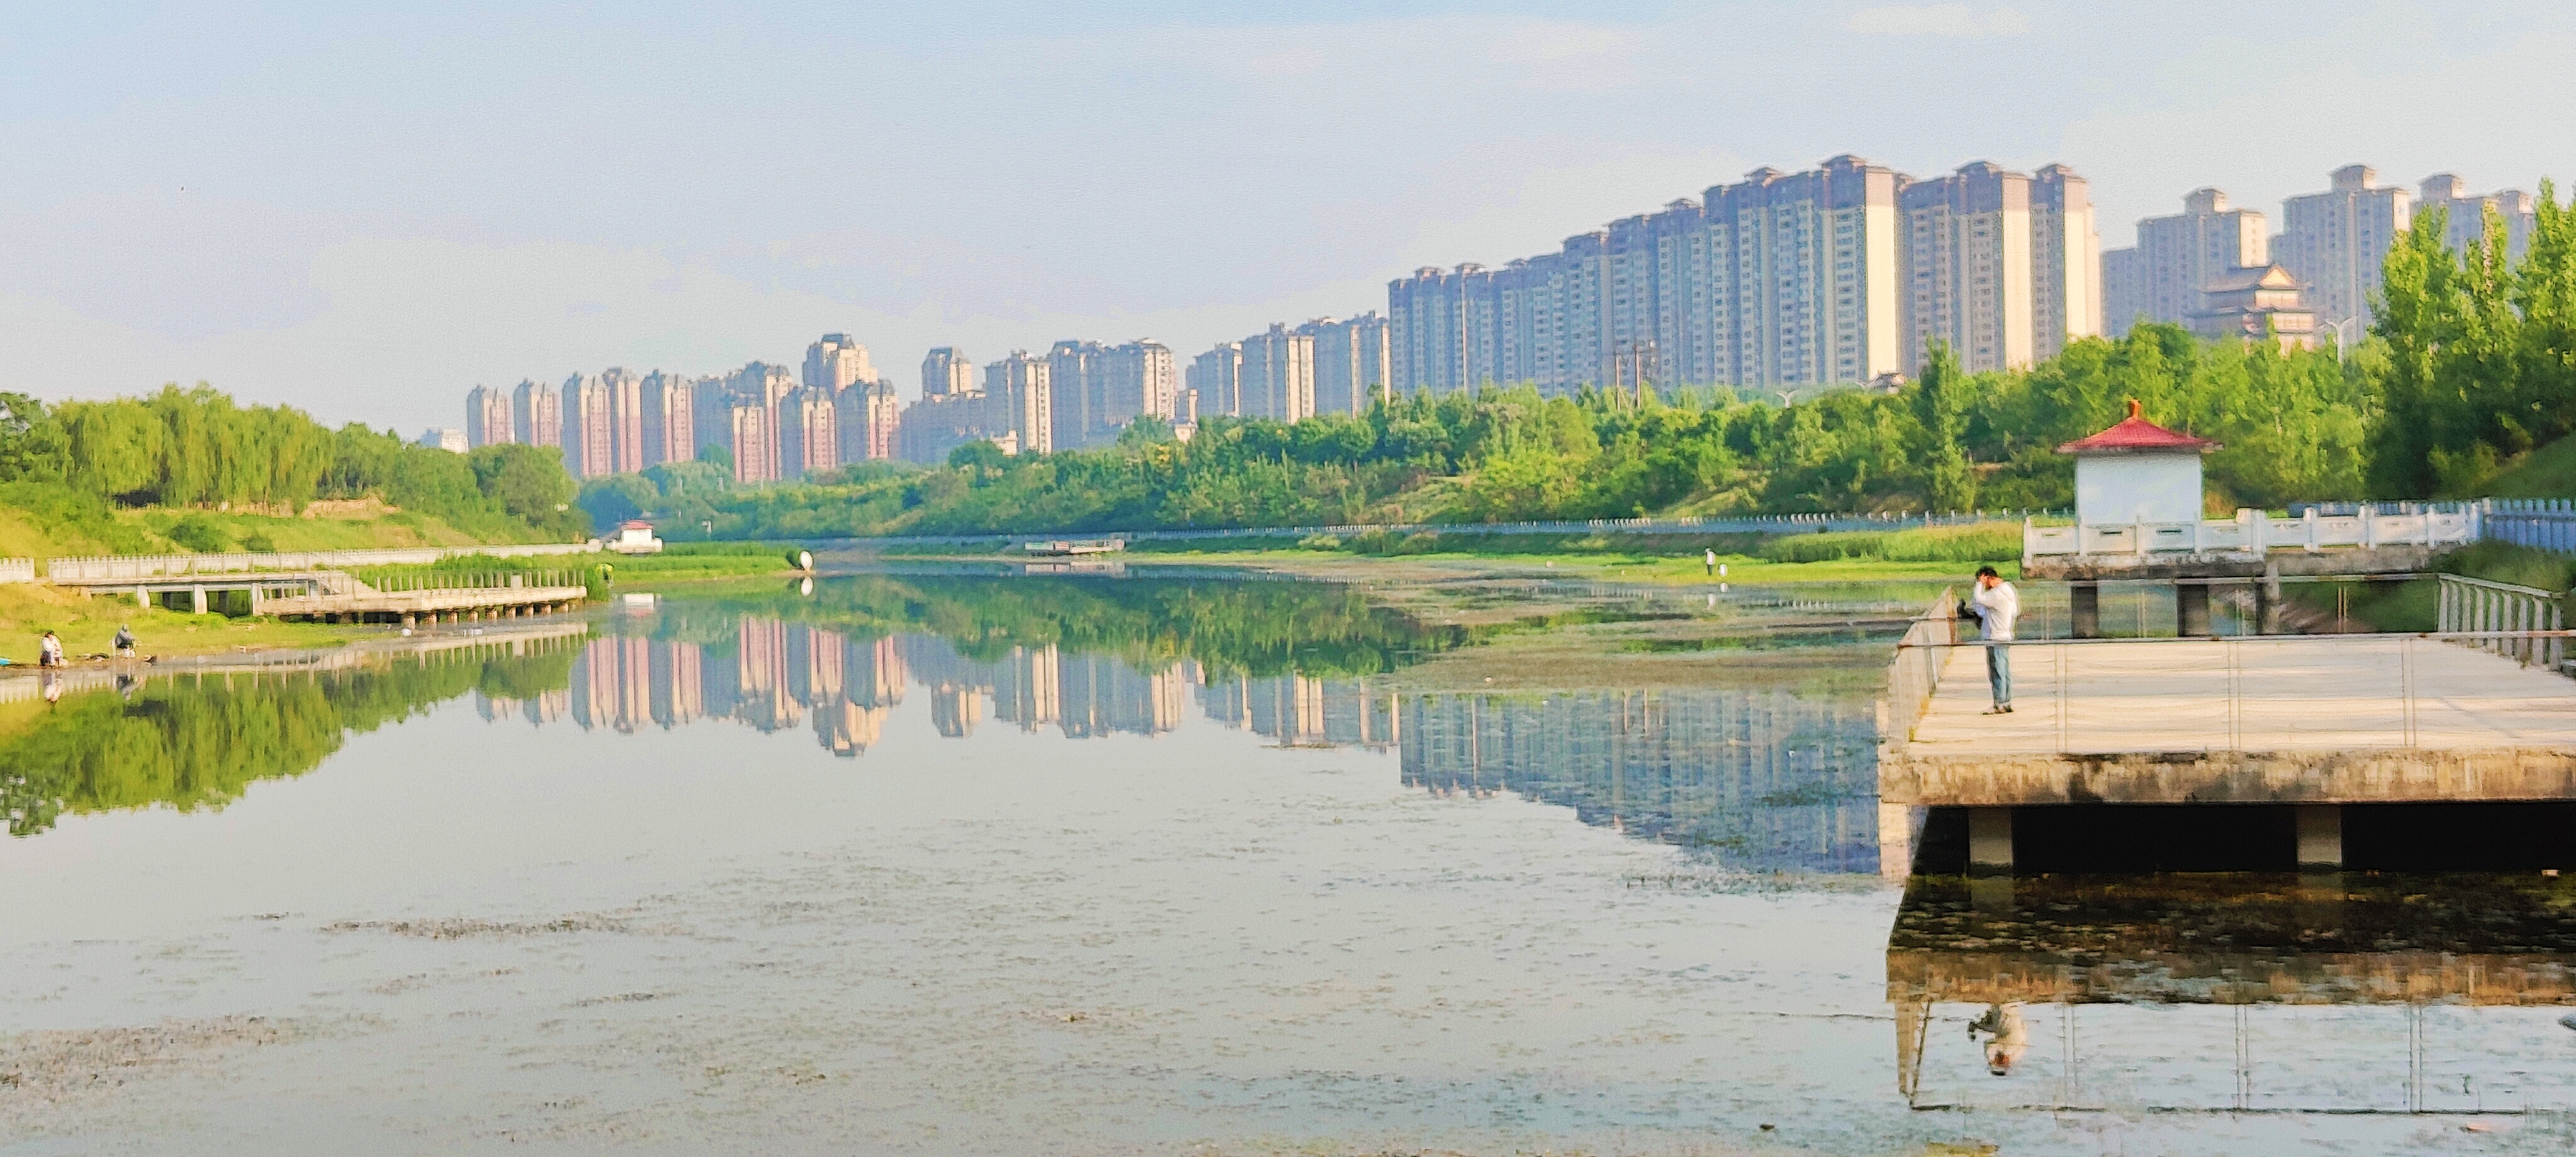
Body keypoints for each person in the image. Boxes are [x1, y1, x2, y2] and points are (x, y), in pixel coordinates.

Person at [1968, 565, 2018, 714]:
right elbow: (2014, 611)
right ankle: (2006, 701)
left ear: (1987, 578)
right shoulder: (2009, 591)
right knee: (2005, 671)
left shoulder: (1997, 593)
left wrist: (1979, 584)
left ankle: (1999, 704)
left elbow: (1978, 599)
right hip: (2005, 635)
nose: (1985, 586)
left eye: (1984, 581)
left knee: (1997, 671)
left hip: (1995, 637)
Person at [1969, 1002, 2028, 1076]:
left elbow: (1988, 1044)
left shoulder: (2015, 1055)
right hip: (2007, 1011)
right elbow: (1989, 1044)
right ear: (2007, 1064)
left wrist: (1991, 1059)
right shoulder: (2011, 1051)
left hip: (2006, 1023)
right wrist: (1990, 1058)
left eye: (1996, 1062)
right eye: (2000, 1063)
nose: (1997, 1060)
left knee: (1985, 1026)